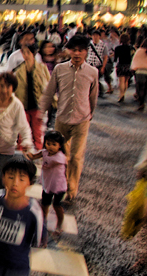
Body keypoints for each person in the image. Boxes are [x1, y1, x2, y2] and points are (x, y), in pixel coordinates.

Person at [39, 34, 98, 200]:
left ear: (86, 52)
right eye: (74, 50)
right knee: (60, 153)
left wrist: (90, 114)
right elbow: (49, 92)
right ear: (69, 51)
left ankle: (72, 189)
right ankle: (59, 181)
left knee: (76, 156)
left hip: (82, 120)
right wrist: (42, 110)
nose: (77, 54)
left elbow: (93, 96)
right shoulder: (60, 69)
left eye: (81, 50)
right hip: (62, 118)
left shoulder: (92, 72)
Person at [25, 130, 68, 239]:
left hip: (59, 186)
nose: (50, 147)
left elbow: (48, 163)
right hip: (48, 184)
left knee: (57, 205)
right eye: (48, 143)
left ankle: (59, 224)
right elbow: (34, 156)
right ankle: (43, 222)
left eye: (54, 144)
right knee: (45, 204)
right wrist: (28, 153)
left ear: (60, 146)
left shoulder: (60, 158)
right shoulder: (44, 152)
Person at [13, 44, 50, 151]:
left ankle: (39, 151)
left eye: (28, 53)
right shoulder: (19, 69)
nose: (25, 55)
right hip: (23, 104)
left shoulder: (41, 68)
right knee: (22, 131)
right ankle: (21, 153)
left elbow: (48, 85)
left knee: (37, 131)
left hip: (37, 104)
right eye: (24, 53)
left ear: (33, 54)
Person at [86, 29, 110, 97]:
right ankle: (92, 91)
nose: (95, 37)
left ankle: (99, 91)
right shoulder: (88, 44)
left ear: (99, 36)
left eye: (96, 35)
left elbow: (105, 57)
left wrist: (103, 67)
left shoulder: (103, 45)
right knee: (89, 79)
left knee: (96, 79)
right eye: (94, 35)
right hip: (89, 64)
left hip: (98, 65)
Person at [114, 33, 134, 103]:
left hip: (121, 65)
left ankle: (121, 95)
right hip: (129, 66)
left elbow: (115, 59)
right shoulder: (131, 48)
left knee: (121, 81)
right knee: (126, 81)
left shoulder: (117, 48)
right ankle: (124, 93)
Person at [131, 38, 147, 111]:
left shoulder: (139, 51)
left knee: (140, 88)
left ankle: (141, 102)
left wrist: (133, 69)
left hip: (139, 72)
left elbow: (134, 61)